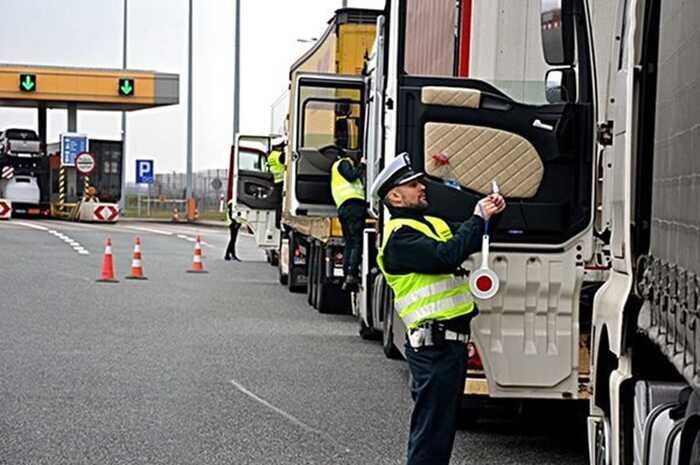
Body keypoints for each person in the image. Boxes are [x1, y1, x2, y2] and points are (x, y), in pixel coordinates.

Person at [370, 153, 505, 465]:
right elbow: (445, 256)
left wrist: (490, 215)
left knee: (440, 431)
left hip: (450, 346)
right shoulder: (399, 238)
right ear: (394, 196)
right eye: (413, 184)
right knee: (431, 434)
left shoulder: (432, 225)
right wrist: (476, 217)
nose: (422, 188)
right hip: (433, 348)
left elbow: (469, 239)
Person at [330, 148, 367, 291]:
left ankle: (348, 274)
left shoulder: (336, 167)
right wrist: (363, 165)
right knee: (356, 241)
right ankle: (351, 273)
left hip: (345, 207)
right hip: (353, 206)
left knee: (350, 243)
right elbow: (352, 176)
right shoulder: (343, 163)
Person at [266, 142, 286, 229]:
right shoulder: (280, 155)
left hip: (274, 181)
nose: (282, 148)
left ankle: (277, 223)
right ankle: (279, 223)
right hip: (281, 181)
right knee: (281, 204)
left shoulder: (270, 156)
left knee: (278, 204)